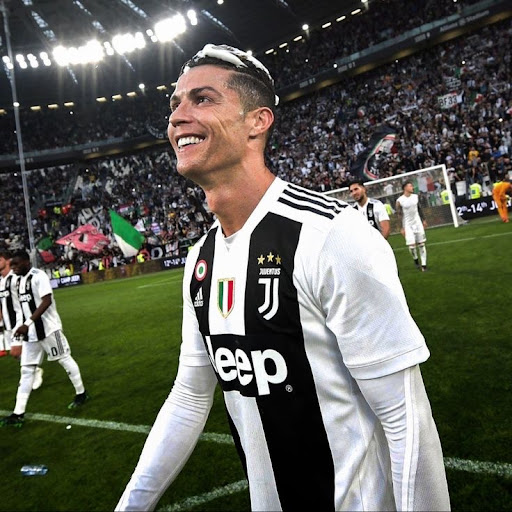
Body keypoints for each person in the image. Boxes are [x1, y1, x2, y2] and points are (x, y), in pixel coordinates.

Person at [116, 44, 450, 511]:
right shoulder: (200, 260)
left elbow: (406, 419)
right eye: (175, 104)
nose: (177, 117)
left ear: (258, 121)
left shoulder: (331, 235)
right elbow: (189, 396)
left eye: (202, 99)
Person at [0, 251, 88, 428]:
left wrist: (28, 323)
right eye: (12, 264)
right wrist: (20, 328)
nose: (13, 268)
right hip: (30, 334)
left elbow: (46, 301)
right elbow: (20, 309)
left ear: (26, 262)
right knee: (26, 371)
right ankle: (18, 413)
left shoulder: (39, 276)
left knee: (64, 359)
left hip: (49, 329)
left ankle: (81, 393)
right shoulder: (18, 281)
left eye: (16, 264)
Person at [0, 250, 44, 389]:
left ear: (7, 261)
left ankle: (33, 372)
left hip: (18, 322)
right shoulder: (1, 281)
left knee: (16, 351)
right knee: (15, 353)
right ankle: (32, 371)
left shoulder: (15, 278)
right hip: (7, 324)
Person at [396, 181, 428, 271]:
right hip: (407, 225)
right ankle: (416, 260)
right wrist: (401, 228)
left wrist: (424, 220)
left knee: (421, 244)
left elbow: (419, 209)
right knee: (412, 246)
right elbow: (399, 214)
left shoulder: (415, 197)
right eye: (410, 186)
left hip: (417, 223)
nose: (412, 187)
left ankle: (424, 265)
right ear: (405, 188)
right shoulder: (400, 201)